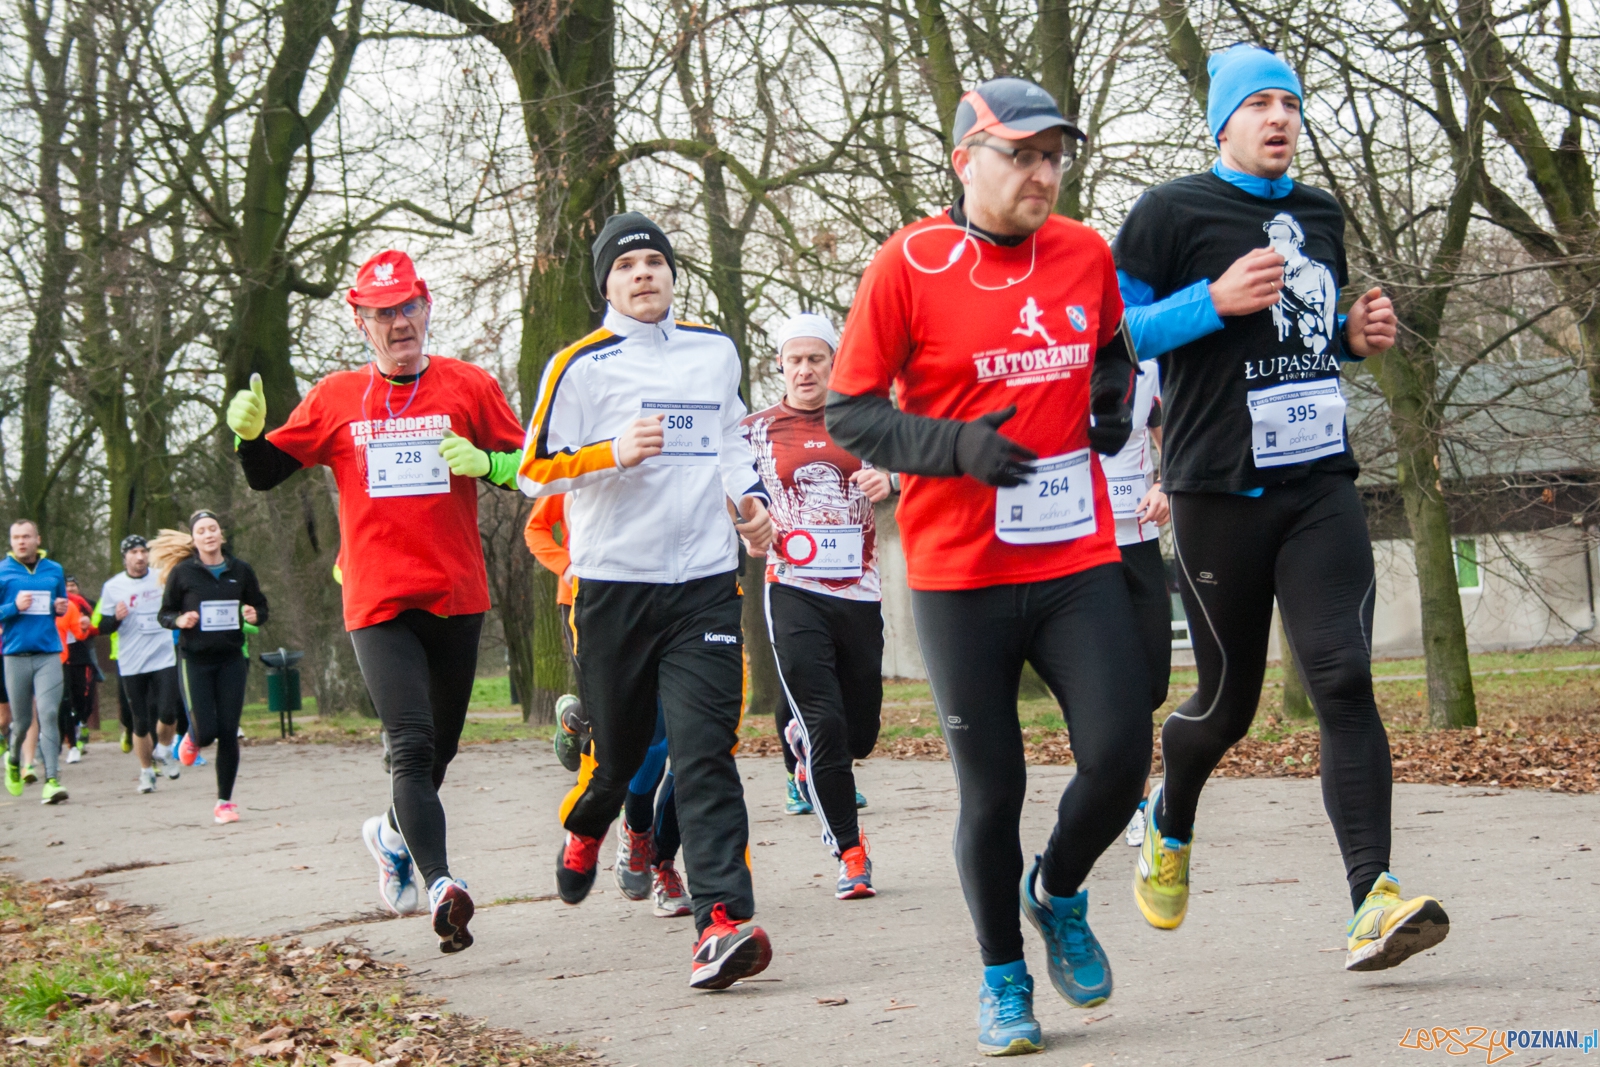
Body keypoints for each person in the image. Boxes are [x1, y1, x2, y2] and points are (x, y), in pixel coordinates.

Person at [826, 79, 1148, 1055]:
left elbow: (1111, 351)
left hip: (1074, 554)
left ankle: (1054, 888)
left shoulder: (1086, 252)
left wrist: (1108, 403)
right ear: (967, 160)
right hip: (959, 570)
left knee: (1121, 750)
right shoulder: (909, 265)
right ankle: (1003, 979)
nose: (1042, 173)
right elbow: (849, 413)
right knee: (993, 786)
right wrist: (954, 448)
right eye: (1022, 155)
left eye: (1055, 156)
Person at [1110, 44, 1446, 972]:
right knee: (1227, 705)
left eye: (1291, 104)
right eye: (1258, 103)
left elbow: (1303, 330)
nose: (1279, 118)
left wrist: (1353, 334)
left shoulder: (1319, 212)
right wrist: (1207, 303)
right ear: (1222, 122)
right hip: (1218, 490)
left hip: (1319, 483)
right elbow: (1109, 334)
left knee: (1342, 678)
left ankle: (1371, 899)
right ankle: (1168, 815)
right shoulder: (1169, 212)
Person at [226, 249, 525, 954]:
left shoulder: (469, 386)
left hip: (456, 594)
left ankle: (390, 836)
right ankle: (443, 885)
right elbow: (269, 471)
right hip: (377, 600)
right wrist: (245, 438)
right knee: (412, 747)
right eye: (384, 312)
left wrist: (492, 464)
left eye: (409, 307)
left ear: (427, 309)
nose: (400, 323)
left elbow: (532, 463)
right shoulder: (335, 398)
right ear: (360, 321)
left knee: (440, 751)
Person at [518, 211, 777, 989]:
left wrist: (752, 500)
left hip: (701, 586)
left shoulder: (712, 352)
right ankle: (587, 822)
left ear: (672, 275)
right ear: (606, 282)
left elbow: (733, 439)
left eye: (655, 262)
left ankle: (722, 920)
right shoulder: (579, 365)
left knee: (704, 753)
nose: (643, 274)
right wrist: (610, 453)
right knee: (621, 756)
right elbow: (533, 469)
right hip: (612, 590)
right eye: (626, 265)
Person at [743, 312, 890, 900]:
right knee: (825, 723)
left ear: (835, 363)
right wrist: (747, 523)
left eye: (817, 359)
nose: (805, 370)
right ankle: (850, 853)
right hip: (793, 588)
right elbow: (731, 490)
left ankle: (811, 745)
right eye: (795, 360)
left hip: (860, 591)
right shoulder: (753, 429)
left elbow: (915, 463)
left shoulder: (867, 419)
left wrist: (893, 482)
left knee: (859, 735)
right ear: (780, 365)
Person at [524, 496, 688, 915]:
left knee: (672, 736)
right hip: (587, 601)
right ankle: (583, 723)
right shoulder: (579, 455)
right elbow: (535, 528)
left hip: (669, 600)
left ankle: (643, 838)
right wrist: (565, 565)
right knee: (634, 731)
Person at [1097, 360, 1173, 846]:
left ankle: (1125, 786)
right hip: (1083, 547)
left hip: (1140, 540)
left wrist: (1168, 484)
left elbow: (1177, 438)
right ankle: (1134, 800)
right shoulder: (1061, 357)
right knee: (1114, 682)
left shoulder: (1149, 367)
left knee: (1152, 680)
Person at [157, 511, 269, 825]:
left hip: (232, 659)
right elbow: (164, 613)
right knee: (207, 732)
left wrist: (254, 614)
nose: (208, 535)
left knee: (228, 731)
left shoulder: (240, 570)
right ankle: (193, 736)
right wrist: (178, 620)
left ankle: (225, 802)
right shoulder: (183, 573)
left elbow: (261, 606)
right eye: (201, 531)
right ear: (194, 539)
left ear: (221, 535)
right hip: (194, 659)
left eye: (213, 529)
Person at [95, 534, 183, 794]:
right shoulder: (113, 587)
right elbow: (102, 626)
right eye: (133, 552)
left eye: (143, 551)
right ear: (125, 557)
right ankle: (146, 773)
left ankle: (165, 750)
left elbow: (176, 606)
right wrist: (117, 619)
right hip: (132, 661)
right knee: (140, 722)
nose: (140, 556)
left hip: (163, 655)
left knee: (168, 711)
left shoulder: (162, 577)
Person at [1, 520, 71, 803]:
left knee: (49, 714)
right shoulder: (3, 571)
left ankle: (52, 780)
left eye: (26, 536)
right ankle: (14, 759)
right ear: (11, 541)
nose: (21, 541)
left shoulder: (54, 570)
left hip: (47, 654)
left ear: (36, 539)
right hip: (16, 656)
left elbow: (60, 603)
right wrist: (13, 607)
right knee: (22, 722)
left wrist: (59, 607)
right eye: (16, 537)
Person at [522, 494, 588, 772]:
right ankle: (571, 721)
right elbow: (535, 528)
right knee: (602, 700)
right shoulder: (575, 459)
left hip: (646, 596)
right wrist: (566, 565)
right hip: (580, 597)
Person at [53, 582, 94, 764]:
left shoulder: (69, 606)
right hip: (44, 659)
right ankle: (63, 742)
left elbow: (78, 633)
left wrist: (84, 626)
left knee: (74, 701)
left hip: (67, 658)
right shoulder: (33, 606)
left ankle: (75, 738)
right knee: (59, 705)